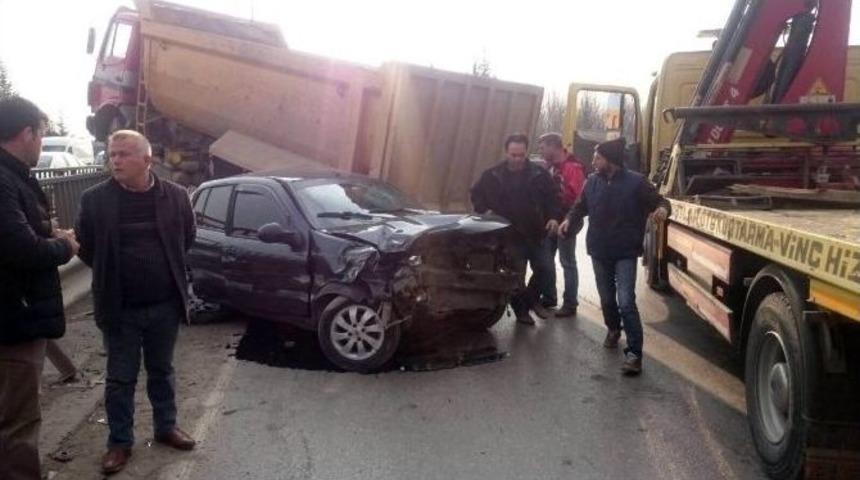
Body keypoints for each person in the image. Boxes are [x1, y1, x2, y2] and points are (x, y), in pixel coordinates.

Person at [76, 130, 197, 474]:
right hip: (120, 307)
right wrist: (114, 273)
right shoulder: (95, 199)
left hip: (164, 305)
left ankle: (166, 427)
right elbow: (86, 246)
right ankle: (119, 442)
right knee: (120, 378)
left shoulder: (174, 196)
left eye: (124, 154)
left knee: (162, 370)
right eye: (112, 154)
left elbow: (187, 237)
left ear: (146, 160)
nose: (115, 160)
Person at [0, 96, 79, 480]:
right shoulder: (3, 178)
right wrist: (64, 246)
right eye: (41, 136)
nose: (41, 145)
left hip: (14, 313)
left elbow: (16, 228)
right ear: (26, 132)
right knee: (18, 419)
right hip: (13, 319)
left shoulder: (12, 177)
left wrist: (47, 230)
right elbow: (19, 248)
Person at [560, 137, 670, 375]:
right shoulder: (591, 182)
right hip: (599, 250)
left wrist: (662, 209)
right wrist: (569, 220)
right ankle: (613, 328)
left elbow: (660, 200)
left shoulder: (636, 183)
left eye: (597, 157)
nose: (592, 160)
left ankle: (634, 354)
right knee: (607, 298)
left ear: (610, 159)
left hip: (625, 251)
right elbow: (580, 207)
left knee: (626, 301)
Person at [471, 133, 562, 325]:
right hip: (509, 235)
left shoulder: (539, 174)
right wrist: (485, 211)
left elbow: (554, 198)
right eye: (513, 155)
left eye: (521, 155)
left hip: (537, 232)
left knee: (545, 269)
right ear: (506, 152)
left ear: (526, 152)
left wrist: (554, 217)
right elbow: (476, 194)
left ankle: (532, 300)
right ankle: (522, 313)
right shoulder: (492, 175)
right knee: (515, 278)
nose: (517, 159)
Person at [537, 133, 586, 317]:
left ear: (553, 147)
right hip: (552, 221)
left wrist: (562, 219)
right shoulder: (550, 168)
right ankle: (549, 296)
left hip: (566, 221)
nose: (540, 152)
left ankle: (570, 303)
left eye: (542, 148)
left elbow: (575, 198)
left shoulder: (572, 168)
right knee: (546, 259)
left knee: (567, 262)